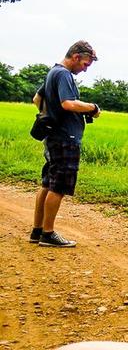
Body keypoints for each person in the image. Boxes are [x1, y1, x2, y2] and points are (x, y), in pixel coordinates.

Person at [29, 41, 101, 248]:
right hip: (65, 138)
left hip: (53, 136)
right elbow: (68, 103)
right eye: (85, 64)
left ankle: (38, 229)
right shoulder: (64, 75)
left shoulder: (53, 72)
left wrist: (49, 116)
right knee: (58, 186)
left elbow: (37, 98)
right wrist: (92, 108)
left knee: (47, 183)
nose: (85, 68)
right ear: (76, 56)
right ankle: (48, 234)